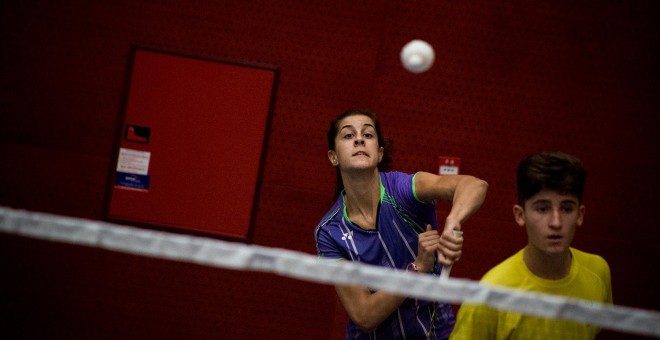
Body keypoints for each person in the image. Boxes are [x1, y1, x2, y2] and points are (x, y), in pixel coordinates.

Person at [314, 109, 488, 339]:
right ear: (333, 156)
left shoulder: (404, 190)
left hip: (435, 332)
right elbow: (365, 315)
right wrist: (415, 270)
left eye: (368, 135)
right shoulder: (330, 231)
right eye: (348, 136)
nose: (359, 139)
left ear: (379, 153)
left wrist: (453, 221)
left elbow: (474, 185)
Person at [450, 151, 613, 340]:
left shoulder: (598, 272)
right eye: (542, 208)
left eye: (567, 208)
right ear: (520, 215)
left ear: (580, 214)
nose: (556, 222)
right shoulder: (490, 294)